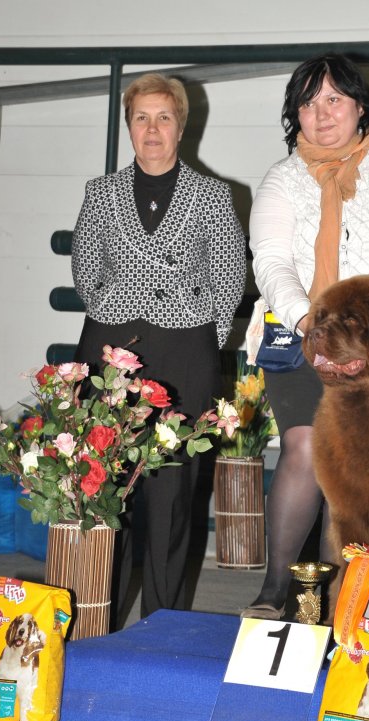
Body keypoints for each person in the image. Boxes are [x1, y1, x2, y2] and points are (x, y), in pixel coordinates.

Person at [243, 54, 369, 620]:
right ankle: (275, 592)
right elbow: (271, 262)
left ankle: (346, 605)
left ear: (360, 106)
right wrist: (309, 322)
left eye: (334, 99)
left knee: (360, 464)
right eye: (308, 103)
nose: (322, 113)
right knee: (305, 447)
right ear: (295, 116)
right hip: (300, 337)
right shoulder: (282, 179)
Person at [71, 72, 246, 625]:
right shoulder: (100, 193)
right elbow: (85, 270)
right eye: (141, 117)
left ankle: (162, 624)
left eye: (163, 117)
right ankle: (98, 617)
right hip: (111, 351)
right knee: (106, 486)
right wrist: (118, 307)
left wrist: (203, 338)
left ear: (181, 127)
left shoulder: (213, 195)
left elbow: (229, 278)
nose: (152, 129)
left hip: (184, 352)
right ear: (129, 127)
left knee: (171, 491)